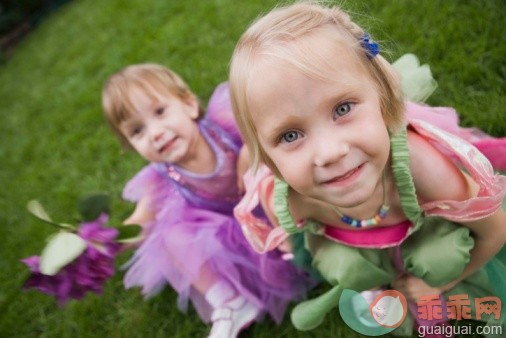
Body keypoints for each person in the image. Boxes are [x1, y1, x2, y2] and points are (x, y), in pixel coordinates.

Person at [228, 1, 506, 335]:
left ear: (384, 100)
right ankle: (373, 274)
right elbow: (282, 225)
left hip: (428, 235)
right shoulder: (288, 199)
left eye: (342, 108)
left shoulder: (424, 169)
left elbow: (495, 230)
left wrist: (445, 285)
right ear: (271, 160)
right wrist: (290, 244)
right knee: (341, 265)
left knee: (440, 258)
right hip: (354, 241)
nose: (329, 153)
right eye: (290, 135)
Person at [101, 63, 314, 338]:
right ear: (131, 146)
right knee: (170, 237)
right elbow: (139, 224)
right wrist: (101, 242)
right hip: (242, 244)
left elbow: (266, 124)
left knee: (270, 173)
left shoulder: (221, 125)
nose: (155, 133)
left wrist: (249, 151)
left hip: (275, 209)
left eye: (160, 112)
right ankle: (230, 302)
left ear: (189, 105)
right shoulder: (161, 178)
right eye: (137, 131)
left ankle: (314, 238)